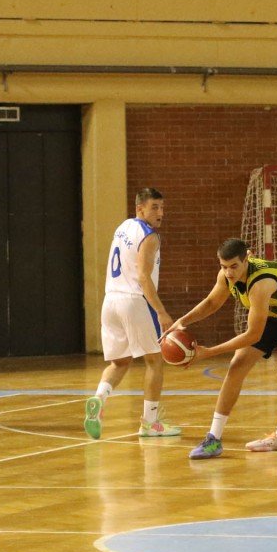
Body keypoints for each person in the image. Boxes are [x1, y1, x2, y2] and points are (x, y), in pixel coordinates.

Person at [165, 239, 277, 459]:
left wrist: (208, 352)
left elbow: (253, 335)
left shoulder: (260, 284)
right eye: (224, 266)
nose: (229, 272)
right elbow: (212, 303)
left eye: (234, 266)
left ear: (246, 259)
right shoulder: (226, 276)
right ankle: (213, 439)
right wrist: (183, 321)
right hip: (275, 314)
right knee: (237, 364)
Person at [83, 188, 180, 440]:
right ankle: (150, 423)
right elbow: (143, 277)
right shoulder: (149, 236)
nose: (160, 213)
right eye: (155, 207)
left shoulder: (123, 227)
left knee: (120, 362)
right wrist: (161, 311)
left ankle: (98, 399)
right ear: (140, 208)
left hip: (110, 301)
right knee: (154, 361)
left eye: (162, 207)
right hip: (134, 301)